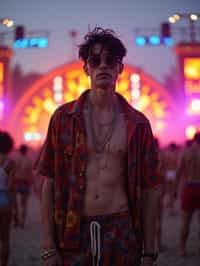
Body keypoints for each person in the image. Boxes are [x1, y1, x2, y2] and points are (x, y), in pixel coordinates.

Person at [36, 27, 161, 266]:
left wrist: (150, 251)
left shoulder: (138, 124)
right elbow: (48, 183)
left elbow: (150, 189)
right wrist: (47, 246)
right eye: (95, 60)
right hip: (74, 231)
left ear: (119, 68)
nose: (103, 65)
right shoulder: (63, 119)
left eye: (110, 60)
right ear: (86, 68)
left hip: (122, 229)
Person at [175, 132, 200, 256]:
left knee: (185, 222)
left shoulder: (186, 152)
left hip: (189, 187)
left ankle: (182, 249)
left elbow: (178, 172)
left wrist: (174, 190)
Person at [0, 131, 16, 266]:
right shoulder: (10, 163)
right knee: (5, 239)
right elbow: (11, 188)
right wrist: (15, 210)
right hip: (4, 200)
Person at [14, 144, 33, 227]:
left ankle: (16, 219)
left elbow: (12, 173)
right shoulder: (29, 161)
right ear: (26, 151)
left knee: (16, 203)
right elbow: (31, 174)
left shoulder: (16, 160)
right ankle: (22, 221)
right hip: (25, 183)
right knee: (24, 204)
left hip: (17, 182)